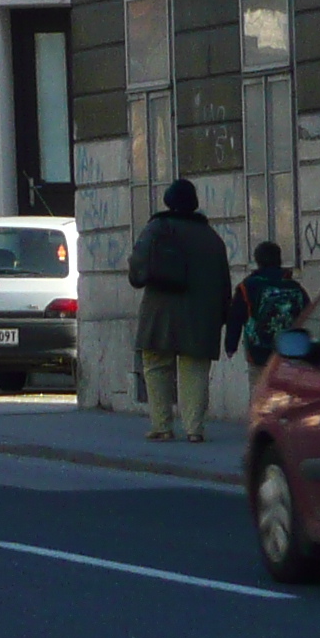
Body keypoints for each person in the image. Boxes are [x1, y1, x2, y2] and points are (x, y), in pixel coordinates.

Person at [125, 178, 233, 442]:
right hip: (200, 315)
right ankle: (194, 428)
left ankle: (162, 425)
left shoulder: (158, 227)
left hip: (160, 310)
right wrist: (221, 316)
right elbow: (223, 280)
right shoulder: (212, 237)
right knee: (194, 368)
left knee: (156, 364)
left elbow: (138, 264)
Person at [230, 240, 309, 381]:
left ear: (257, 260)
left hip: (258, 354)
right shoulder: (294, 287)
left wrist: (230, 345)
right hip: (289, 354)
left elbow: (235, 318)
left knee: (259, 391)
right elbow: (310, 317)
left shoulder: (247, 287)